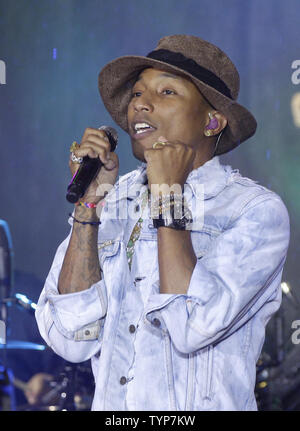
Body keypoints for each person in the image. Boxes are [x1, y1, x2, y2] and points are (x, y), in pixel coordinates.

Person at [35, 35, 290, 411]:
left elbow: (192, 327)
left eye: (166, 92)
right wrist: (89, 206)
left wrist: (168, 193)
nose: (140, 104)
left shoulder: (254, 211)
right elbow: (70, 338)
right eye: (137, 94)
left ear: (212, 121)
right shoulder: (113, 200)